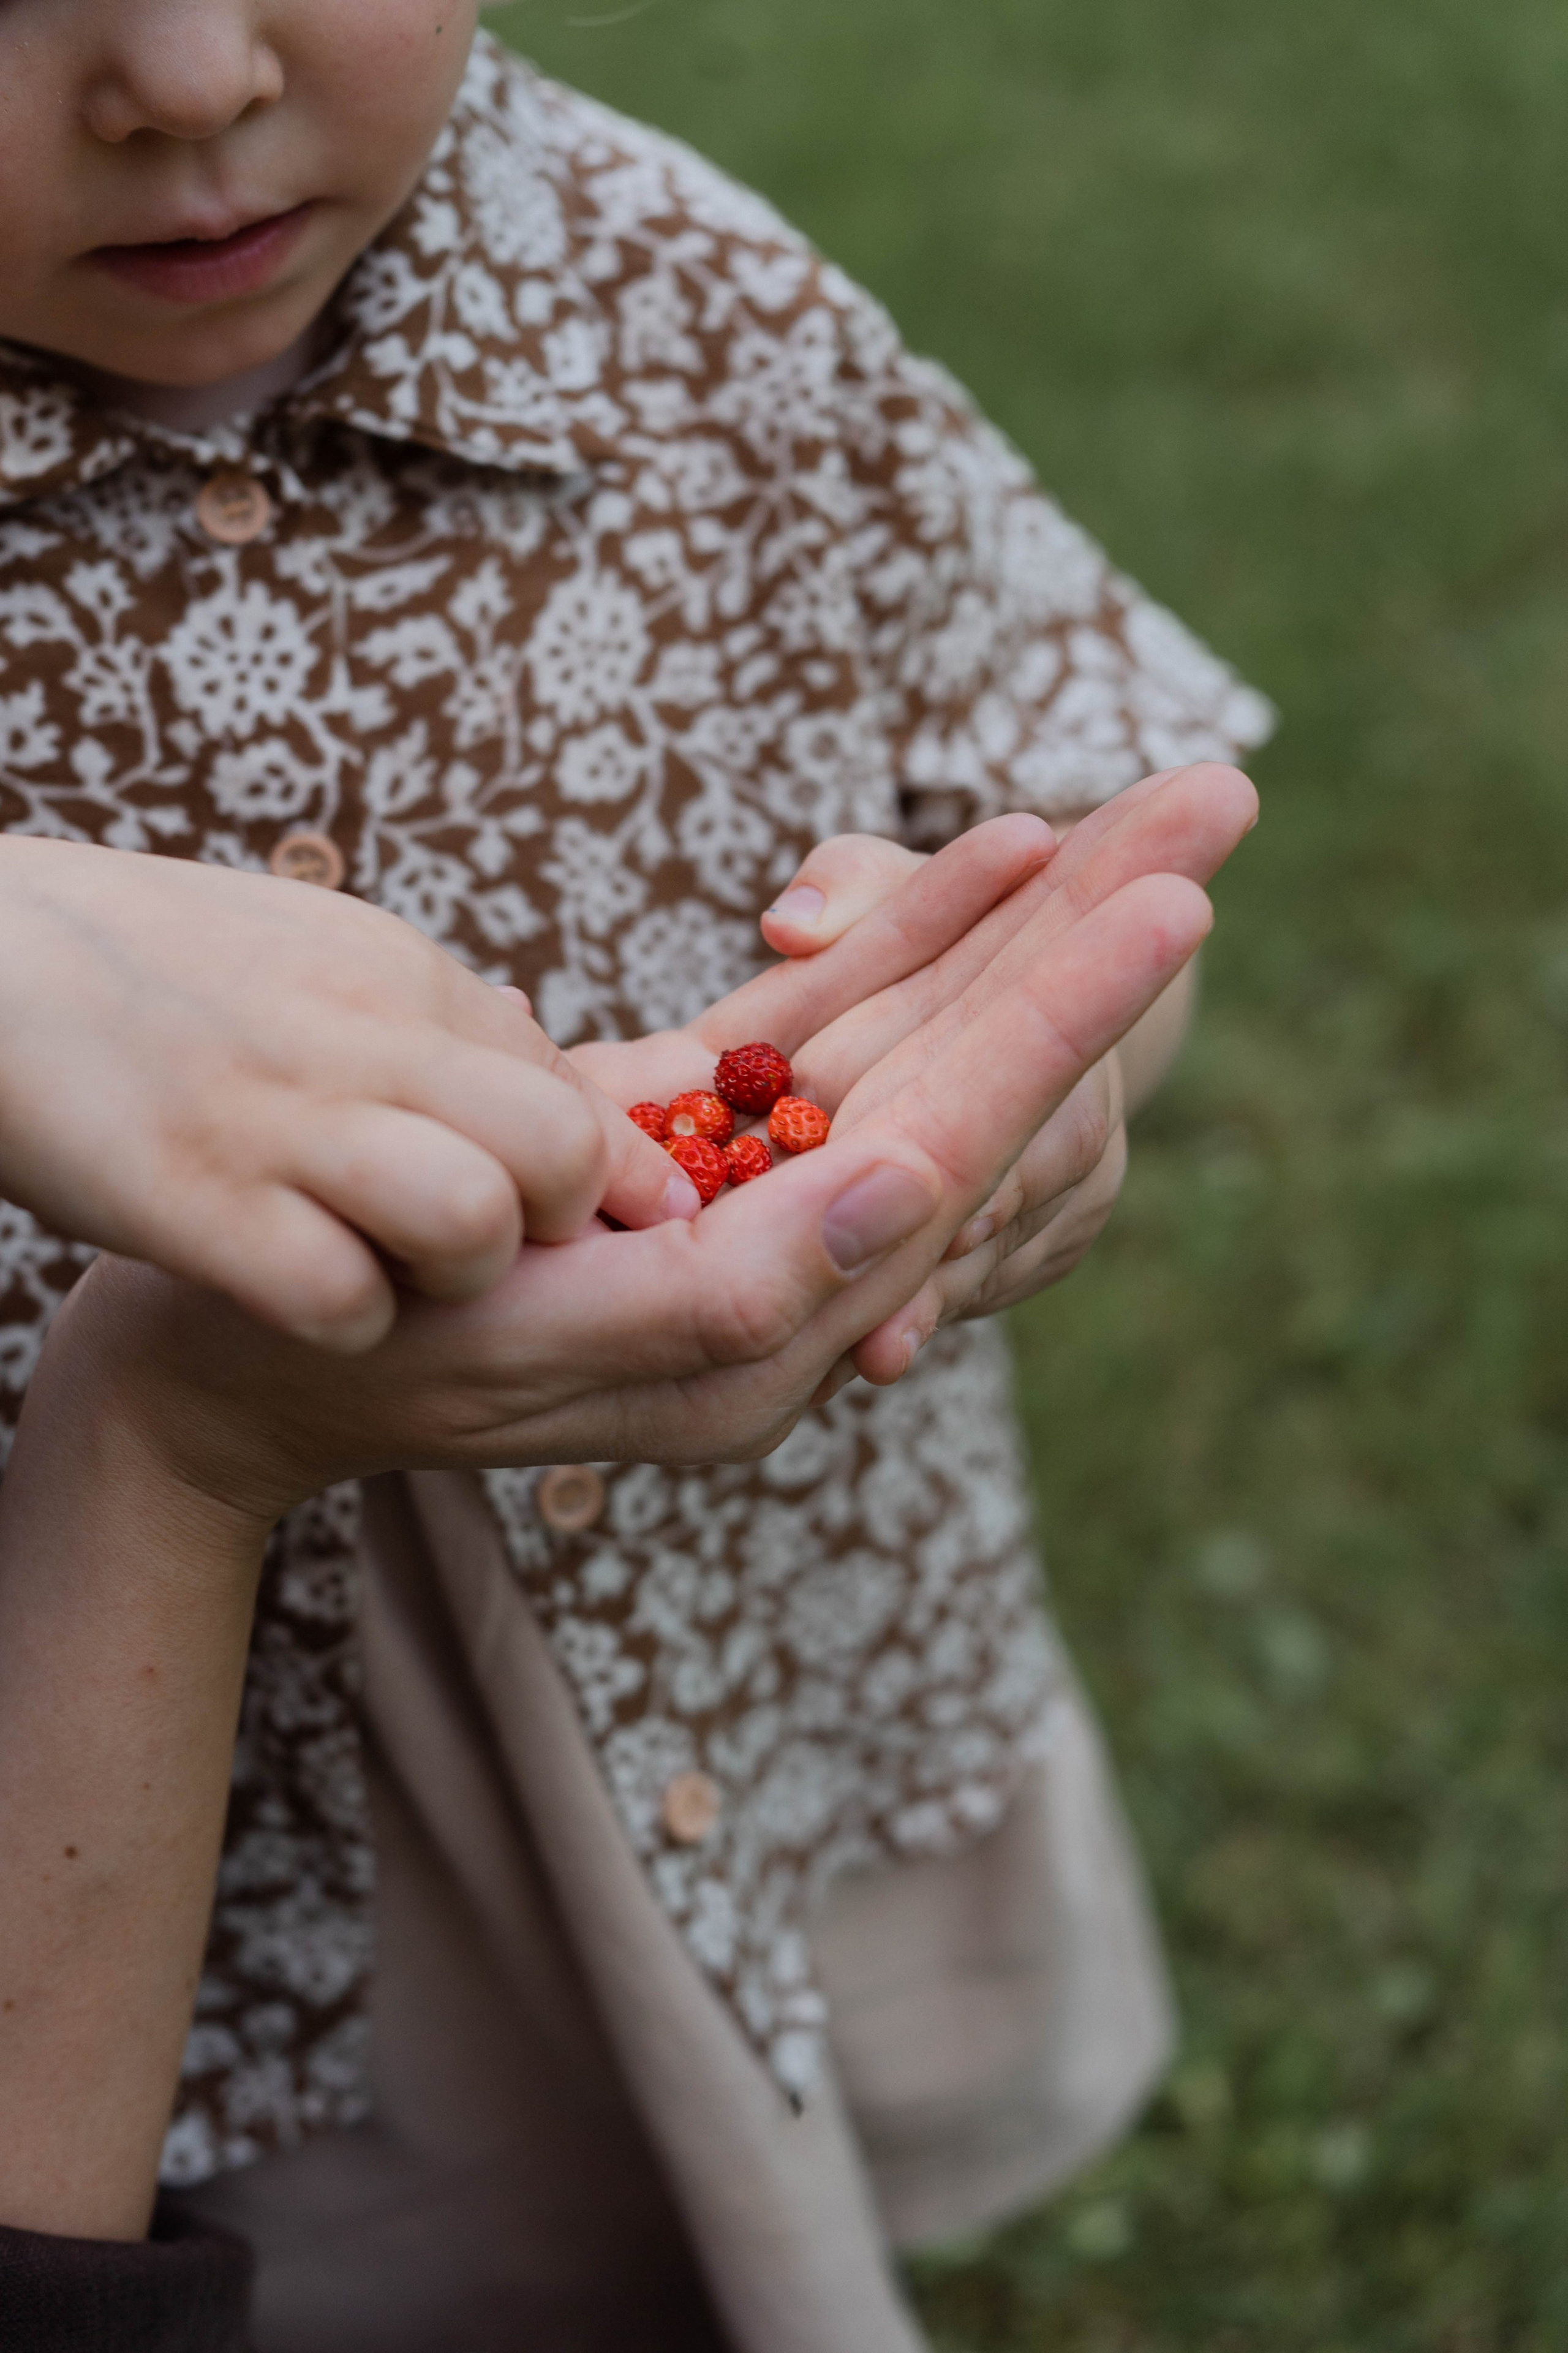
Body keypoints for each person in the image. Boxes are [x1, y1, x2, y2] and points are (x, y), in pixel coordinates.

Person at [0, 7, 1270, 2347]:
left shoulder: (679, 287)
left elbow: (1063, 794)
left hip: (725, 1622)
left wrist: (1035, 1060)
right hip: (158, 1805)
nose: (180, 76)